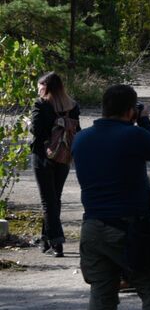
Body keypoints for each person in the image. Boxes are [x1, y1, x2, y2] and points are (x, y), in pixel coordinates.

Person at [72, 84, 150, 310]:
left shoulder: (80, 139)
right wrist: (145, 122)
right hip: (129, 227)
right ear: (131, 111)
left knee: (101, 292)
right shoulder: (133, 134)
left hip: (92, 228)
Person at [31, 71, 81, 257]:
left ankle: (56, 242)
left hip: (43, 155)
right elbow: (78, 130)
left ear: (47, 87)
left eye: (40, 87)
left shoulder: (41, 105)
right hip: (64, 155)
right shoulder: (72, 106)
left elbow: (36, 130)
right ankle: (45, 240)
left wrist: (30, 122)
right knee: (55, 198)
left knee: (47, 201)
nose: (38, 90)